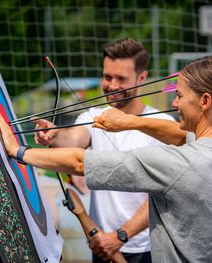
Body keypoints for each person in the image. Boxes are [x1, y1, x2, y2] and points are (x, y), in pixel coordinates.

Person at [0, 55, 212, 262]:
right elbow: (186, 136)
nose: (175, 102)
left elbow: (81, 163)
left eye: (179, 95)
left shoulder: (179, 164)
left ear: (205, 101)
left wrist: (19, 151)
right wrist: (130, 122)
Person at [32, 38, 174, 262]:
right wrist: (55, 133)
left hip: (149, 247)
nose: (113, 85)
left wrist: (121, 236)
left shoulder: (162, 125)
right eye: (108, 77)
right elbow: (73, 138)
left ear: (142, 78)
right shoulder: (92, 117)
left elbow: (163, 194)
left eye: (121, 79)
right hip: (102, 245)